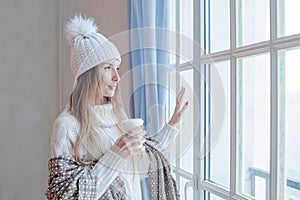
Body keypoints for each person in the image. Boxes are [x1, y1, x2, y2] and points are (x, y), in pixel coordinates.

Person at [45, 15, 188, 200]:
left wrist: (173, 123)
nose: (116, 77)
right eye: (107, 68)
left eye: (117, 68)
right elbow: (64, 195)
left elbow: (144, 160)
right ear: (88, 74)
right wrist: (117, 153)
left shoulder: (115, 116)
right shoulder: (67, 126)